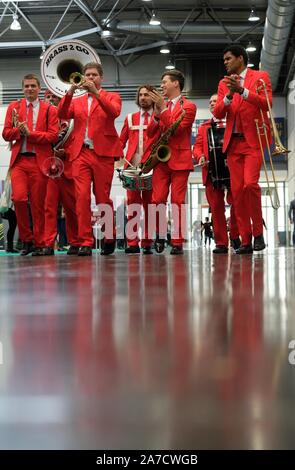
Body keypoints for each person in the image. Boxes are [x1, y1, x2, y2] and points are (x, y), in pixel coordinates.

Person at [58, 62, 123, 256]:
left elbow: (114, 112)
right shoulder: (77, 100)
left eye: (94, 74)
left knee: (103, 198)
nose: (90, 77)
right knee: (82, 197)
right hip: (80, 153)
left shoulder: (112, 96)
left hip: (103, 154)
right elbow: (61, 113)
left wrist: (96, 93)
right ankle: (86, 241)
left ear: (101, 77)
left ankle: (109, 235)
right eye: (87, 74)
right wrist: (71, 90)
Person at [213, 44, 272, 254]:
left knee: (250, 186)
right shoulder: (223, 83)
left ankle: (258, 233)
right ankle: (246, 240)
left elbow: (267, 104)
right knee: (237, 193)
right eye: (224, 60)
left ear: (240, 58)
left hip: (253, 141)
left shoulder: (260, 76)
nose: (225, 62)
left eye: (228, 58)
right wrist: (229, 94)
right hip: (233, 144)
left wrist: (243, 91)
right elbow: (219, 113)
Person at [2, 73, 59, 256]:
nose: (30, 89)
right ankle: (26, 239)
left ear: (39, 88)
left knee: (38, 204)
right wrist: (19, 131)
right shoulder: (14, 107)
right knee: (18, 199)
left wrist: (31, 134)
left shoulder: (50, 109)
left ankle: (40, 242)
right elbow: (5, 134)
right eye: (26, 86)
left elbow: (53, 136)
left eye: (33, 86)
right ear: (22, 89)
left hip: (39, 161)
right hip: (19, 161)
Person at [146, 69, 197, 255]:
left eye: (165, 82)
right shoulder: (161, 106)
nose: (162, 86)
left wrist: (164, 109)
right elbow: (151, 133)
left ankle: (177, 241)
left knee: (177, 202)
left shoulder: (189, 106)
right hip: (161, 160)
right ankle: (159, 235)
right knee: (157, 200)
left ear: (176, 83)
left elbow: (178, 130)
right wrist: (157, 113)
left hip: (180, 160)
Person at [193, 93, 240, 253]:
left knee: (237, 204)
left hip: (233, 170)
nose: (212, 103)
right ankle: (221, 242)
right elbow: (197, 147)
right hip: (211, 172)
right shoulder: (203, 126)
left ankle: (235, 236)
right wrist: (200, 156)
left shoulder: (234, 123)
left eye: (216, 101)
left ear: (223, 104)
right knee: (216, 208)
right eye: (210, 101)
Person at [42, 89, 80, 256]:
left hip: (67, 167)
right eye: (48, 97)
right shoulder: (42, 119)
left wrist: (66, 153)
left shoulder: (72, 119)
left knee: (71, 208)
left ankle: (75, 242)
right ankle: (48, 243)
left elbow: (78, 141)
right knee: (49, 207)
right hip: (48, 168)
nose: (51, 100)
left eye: (55, 97)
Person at [120, 84, 156, 254]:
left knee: (150, 205)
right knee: (133, 206)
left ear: (153, 97)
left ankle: (148, 242)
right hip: (132, 167)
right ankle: (132, 243)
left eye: (147, 95)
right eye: (141, 95)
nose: (143, 98)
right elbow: (120, 142)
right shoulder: (129, 118)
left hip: (152, 166)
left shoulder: (159, 117)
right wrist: (117, 161)